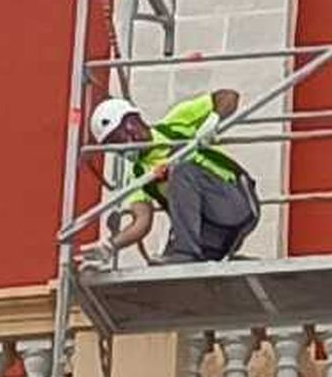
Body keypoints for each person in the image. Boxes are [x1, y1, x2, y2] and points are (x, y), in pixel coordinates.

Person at [89, 88, 261, 265]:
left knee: (180, 171)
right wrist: (110, 246)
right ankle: (233, 263)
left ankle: (185, 252)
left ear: (137, 118)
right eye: (117, 140)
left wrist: (213, 119)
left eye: (128, 127)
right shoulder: (137, 174)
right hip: (208, 232)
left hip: (235, 202)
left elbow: (229, 96)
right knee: (162, 270)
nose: (128, 139)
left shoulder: (174, 125)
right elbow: (142, 222)